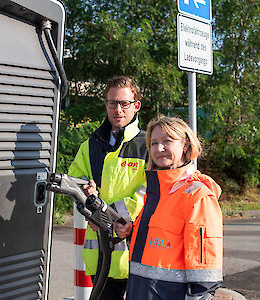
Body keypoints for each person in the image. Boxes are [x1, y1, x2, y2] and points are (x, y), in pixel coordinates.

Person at [126, 115, 223, 300]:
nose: (159, 149)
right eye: (154, 143)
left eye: (167, 141)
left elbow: (204, 275)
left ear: (185, 145)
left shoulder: (198, 197)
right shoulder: (154, 192)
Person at [68, 76, 148, 299]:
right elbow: (75, 183)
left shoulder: (148, 144)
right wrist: (87, 200)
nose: (118, 109)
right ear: (106, 105)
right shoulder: (90, 145)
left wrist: (115, 217)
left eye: (124, 103)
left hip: (137, 256)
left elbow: (147, 191)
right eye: (112, 103)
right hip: (101, 256)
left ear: (136, 106)